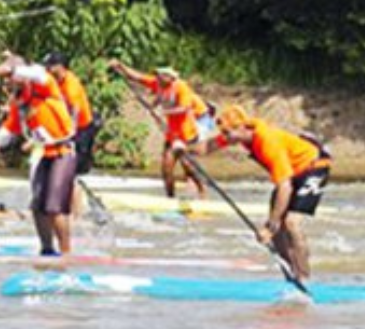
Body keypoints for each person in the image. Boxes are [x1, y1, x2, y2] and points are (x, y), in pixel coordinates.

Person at [214, 105, 331, 279]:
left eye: (227, 133)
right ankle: (291, 272)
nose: (225, 138)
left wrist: (271, 225)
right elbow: (207, 146)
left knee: (291, 223)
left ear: (241, 127)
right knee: (276, 231)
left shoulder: (268, 141)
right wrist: (183, 149)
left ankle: (305, 277)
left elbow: (285, 186)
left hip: (314, 168)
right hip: (291, 174)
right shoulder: (242, 135)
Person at [0, 59, 77, 255]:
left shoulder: (47, 87)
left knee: (54, 207)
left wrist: (11, 68)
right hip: (44, 154)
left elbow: (38, 74)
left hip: (62, 152)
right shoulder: (20, 103)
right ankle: (47, 249)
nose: (10, 83)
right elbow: (9, 129)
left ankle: (66, 252)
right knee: (38, 206)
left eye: (13, 79)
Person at [109, 61, 212, 199]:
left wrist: (164, 112)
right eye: (157, 75)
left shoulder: (181, 87)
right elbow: (137, 77)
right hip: (172, 134)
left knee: (188, 166)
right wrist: (120, 66)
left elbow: (184, 108)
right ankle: (170, 197)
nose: (157, 77)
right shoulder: (157, 83)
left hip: (187, 134)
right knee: (166, 168)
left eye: (162, 75)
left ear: (170, 77)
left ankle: (202, 191)